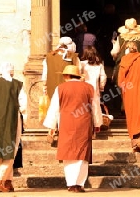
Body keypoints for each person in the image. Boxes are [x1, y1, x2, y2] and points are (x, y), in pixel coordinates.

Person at [43, 65, 99, 193]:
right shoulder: (89, 88)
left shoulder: (60, 88)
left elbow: (54, 109)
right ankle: (79, 184)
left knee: (68, 153)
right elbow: (95, 107)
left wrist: (52, 127)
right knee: (82, 153)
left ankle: (71, 183)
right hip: (84, 123)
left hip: (66, 123)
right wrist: (97, 123)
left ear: (66, 76)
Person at [0, 62, 27, 192]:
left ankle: (7, 182)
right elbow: (23, 106)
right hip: (12, 120)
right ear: (12, 72)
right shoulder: (17, 85)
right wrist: (23, 119)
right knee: (11, 150)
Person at [40, 36, 81, 123]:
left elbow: (45, 74)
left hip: (52, 86)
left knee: (54, 108)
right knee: (68, 109)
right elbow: (79, 71)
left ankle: (54, 128)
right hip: (70, 87)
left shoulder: (49, 56)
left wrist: (44, 86)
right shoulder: (74, 57)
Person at [110, 17, 140, 83]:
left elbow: (114, 52)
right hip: (139, 68)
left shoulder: (120, 39)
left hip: (123, 67)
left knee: (123, 87)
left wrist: (116, 58)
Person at [80, 45, 106, 137]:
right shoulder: (99, 65)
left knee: (84, 109)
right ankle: (95, 128)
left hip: (83, 89)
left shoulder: (82, 64)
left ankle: (84, 128)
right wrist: (102, 87)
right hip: (95, 90)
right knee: (95, 109)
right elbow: (103, 77)